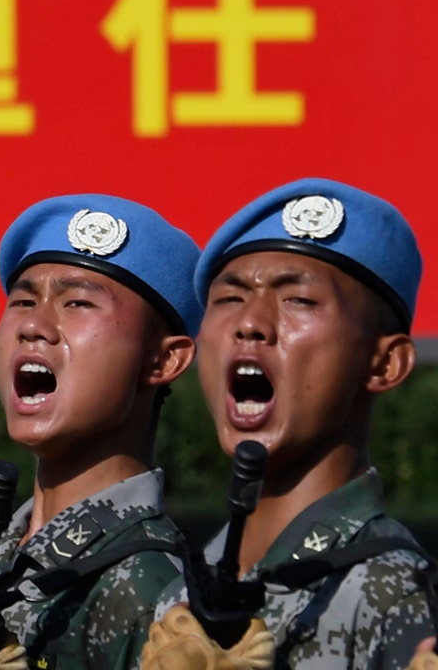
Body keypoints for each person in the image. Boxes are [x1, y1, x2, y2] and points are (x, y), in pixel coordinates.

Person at [144, 178, 432, 670]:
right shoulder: (183, 593)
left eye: (299, 300)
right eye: (229, 299)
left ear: (385, 364)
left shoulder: (392, 594)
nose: (251, 322)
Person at [0, 195, 201, 670]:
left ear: (164, 360)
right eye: (23, 301)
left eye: (77, 303)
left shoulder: (160, 596)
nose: (34, 326)